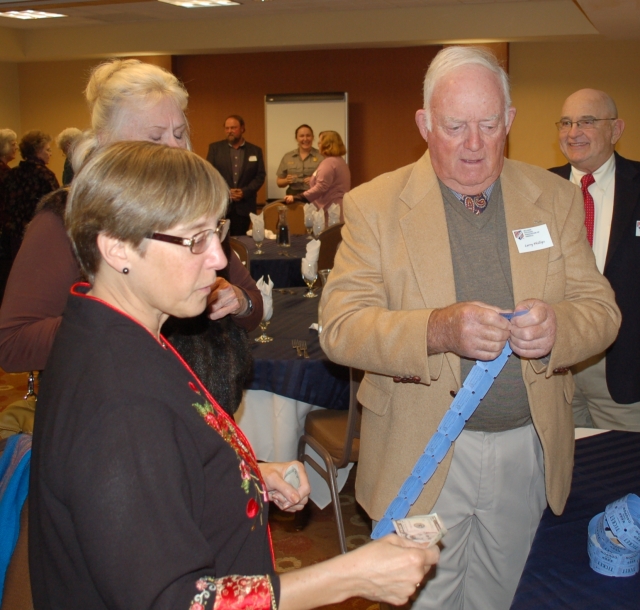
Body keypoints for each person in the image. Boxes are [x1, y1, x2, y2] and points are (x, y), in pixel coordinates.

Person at [29, 141, 439, 610]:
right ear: (118, 247)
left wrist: (243, 474)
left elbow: (153, 473)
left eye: (217, 232)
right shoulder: (120, 402)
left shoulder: (111, 330)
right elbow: (177, 602)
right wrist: (351, 575)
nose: (220, 259)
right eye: (194, 239)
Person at [319, 46, 621, 610]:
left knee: (505, 597)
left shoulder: (554, 198)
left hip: (526, 449)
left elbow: (600, 310)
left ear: (510, 120)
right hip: (421, 448)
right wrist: (436, 330)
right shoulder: (374, 206)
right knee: (426, 602)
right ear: (425, 124)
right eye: (455, 126)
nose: (475, 144)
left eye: (489, 124)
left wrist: (558, 328)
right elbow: (340, 328)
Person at [0, 60, 260, 415]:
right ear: (106, 143)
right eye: (155, 137)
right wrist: (125, 317)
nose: (174, 148)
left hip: (203, 421)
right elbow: (12, 343)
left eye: (179, 133)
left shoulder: (194, 215)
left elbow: (253, 306)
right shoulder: (65, 218)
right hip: (110, 415)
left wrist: (238, 301)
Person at [549, 89, 640, 431]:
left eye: (587, 122)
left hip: (624, 370)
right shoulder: (537, 189)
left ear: (616, 130)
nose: (573, 133)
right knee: (560, 463)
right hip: (555, 368)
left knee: (622, 461)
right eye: (566, 123)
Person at [3, 130, 59, 258]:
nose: (50, 154)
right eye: (48, 150)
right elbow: (56, 207)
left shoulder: (11, 174)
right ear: (37, 151)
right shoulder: (45, 175)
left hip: (16, 236)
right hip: (39, 234)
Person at [207, 115, 266, 236]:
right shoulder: (215, 149)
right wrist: (226, 192)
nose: (230, 131)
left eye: (233, 128)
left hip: (245, 207)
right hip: (222, 206)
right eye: (227, 128)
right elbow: (209, 175)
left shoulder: (255, 150)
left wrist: (244, 192)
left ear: (242, 128)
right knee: (221, 241)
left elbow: (260, 176)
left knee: (241, 241)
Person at [284, 130, 350, 224]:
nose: (318, 145)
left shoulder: (329, 163)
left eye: (320, 142)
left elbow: (321, 187)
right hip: (336, 209)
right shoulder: (339, 161)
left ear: (327, 145)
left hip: (331, 211)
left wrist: (298, 197)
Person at [276, 124, 323, 196]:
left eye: (308, 135)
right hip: (293, 196)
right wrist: (287, 180)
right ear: (296, 138)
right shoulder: (288, 157)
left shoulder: (322, 156)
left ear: (313, 137)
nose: (305, 139)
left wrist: (315, 180)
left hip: (315, 195)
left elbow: (330, 181)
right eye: (302, 136)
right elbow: (279, 182)